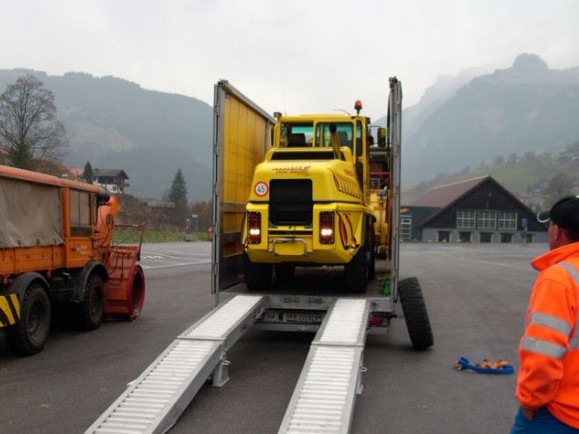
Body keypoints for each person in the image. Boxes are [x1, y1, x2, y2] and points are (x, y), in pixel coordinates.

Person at [511, 195, 579, 433]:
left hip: (561, 415)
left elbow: (543, 351)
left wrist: (531, 401)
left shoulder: (560, 278)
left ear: (556, 231)